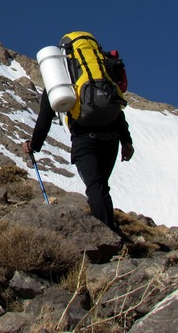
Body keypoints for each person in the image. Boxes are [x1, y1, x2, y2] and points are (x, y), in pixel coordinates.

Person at [23, 82, 134, 231]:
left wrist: (33, 145)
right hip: (112, 136)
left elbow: (45, 118)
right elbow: (117, 110)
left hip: (85, 137)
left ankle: (106, 236)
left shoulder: (57, 80)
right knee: (100, 187)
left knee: (96, 187)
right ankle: (108, 228)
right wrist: (126, 140)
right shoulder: (97, 74)